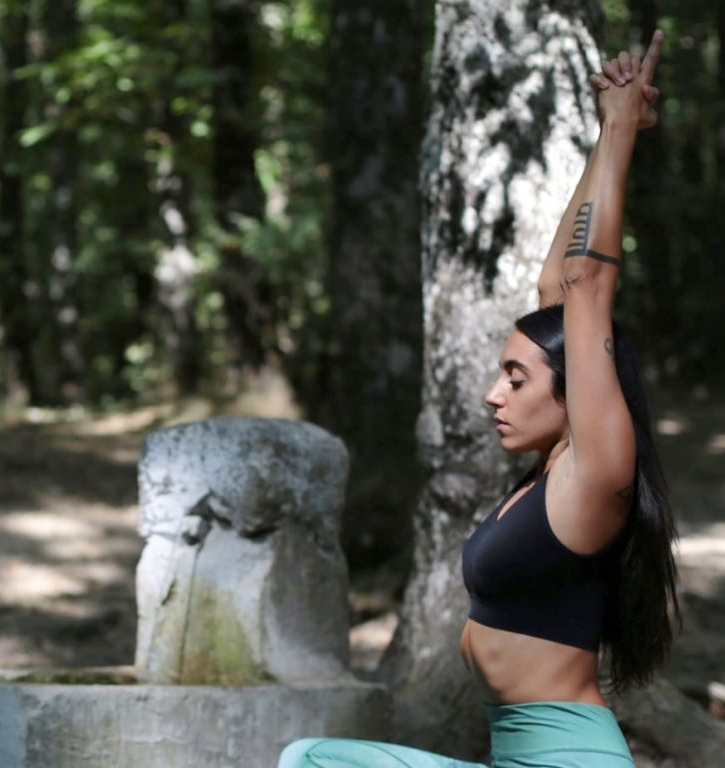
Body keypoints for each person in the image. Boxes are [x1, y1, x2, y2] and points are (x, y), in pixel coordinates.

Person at [278, 29, 680, 768]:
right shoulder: (548, 478)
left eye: (516, 379)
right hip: (514, 754)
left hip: (568, 760)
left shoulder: (596, 475)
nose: (495, 395)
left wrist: (625, 128)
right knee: (312, 759)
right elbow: (558, 284)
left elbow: (587, 285)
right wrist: (604, 133)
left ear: (576, 393)